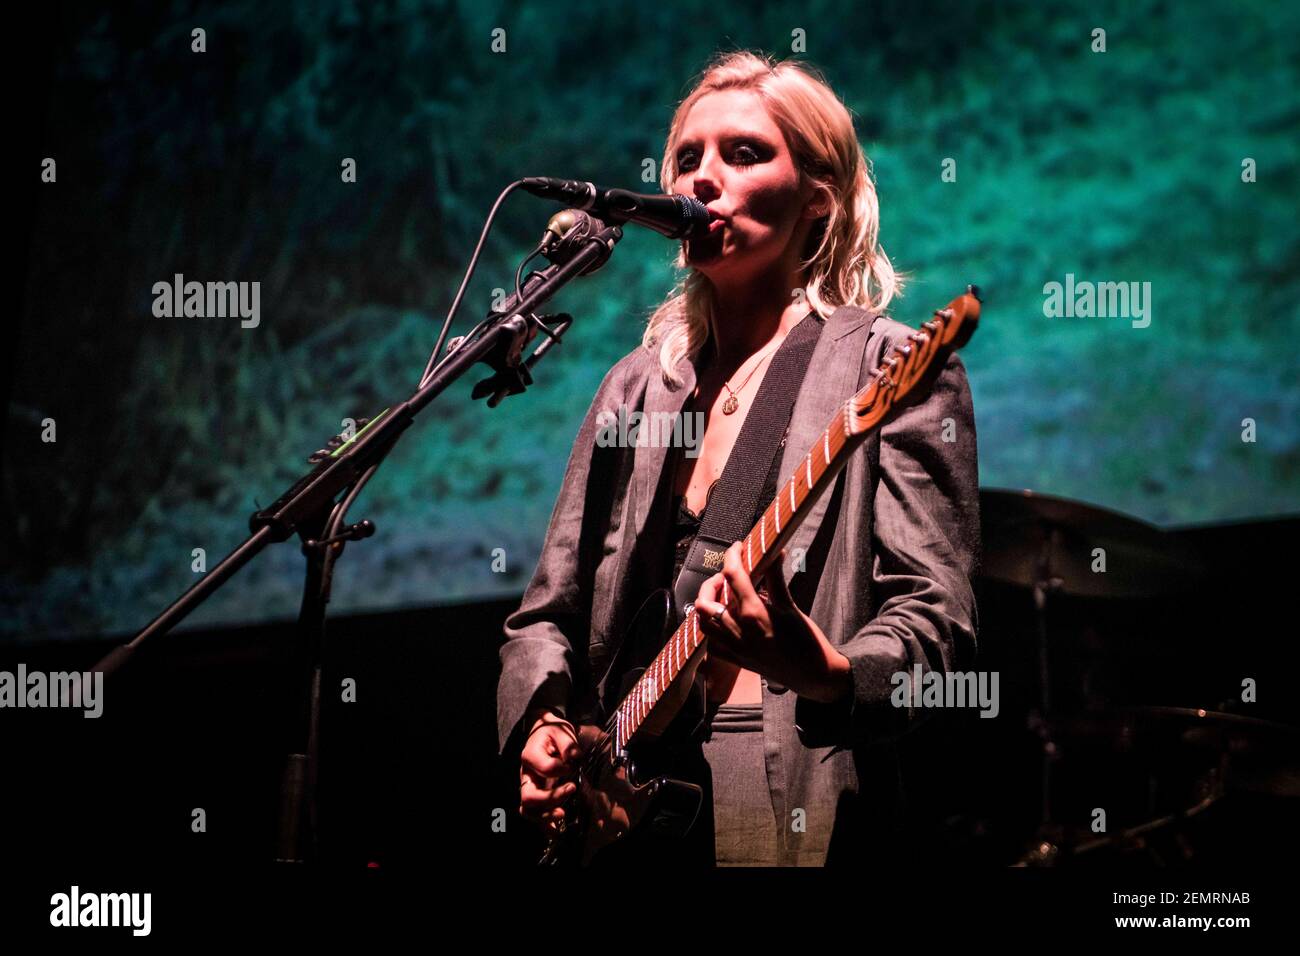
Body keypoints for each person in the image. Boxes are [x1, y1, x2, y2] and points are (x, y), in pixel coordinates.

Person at [496, 49, 980, 866]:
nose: (702, 179)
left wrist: (828, 672)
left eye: (745, 153)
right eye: (687, 158)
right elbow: (549, 610)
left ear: (817, 204)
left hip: (787, 772)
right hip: (623, 798)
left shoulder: (883, 368)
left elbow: (939, 625)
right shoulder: (638, 389)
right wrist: (541, 721)